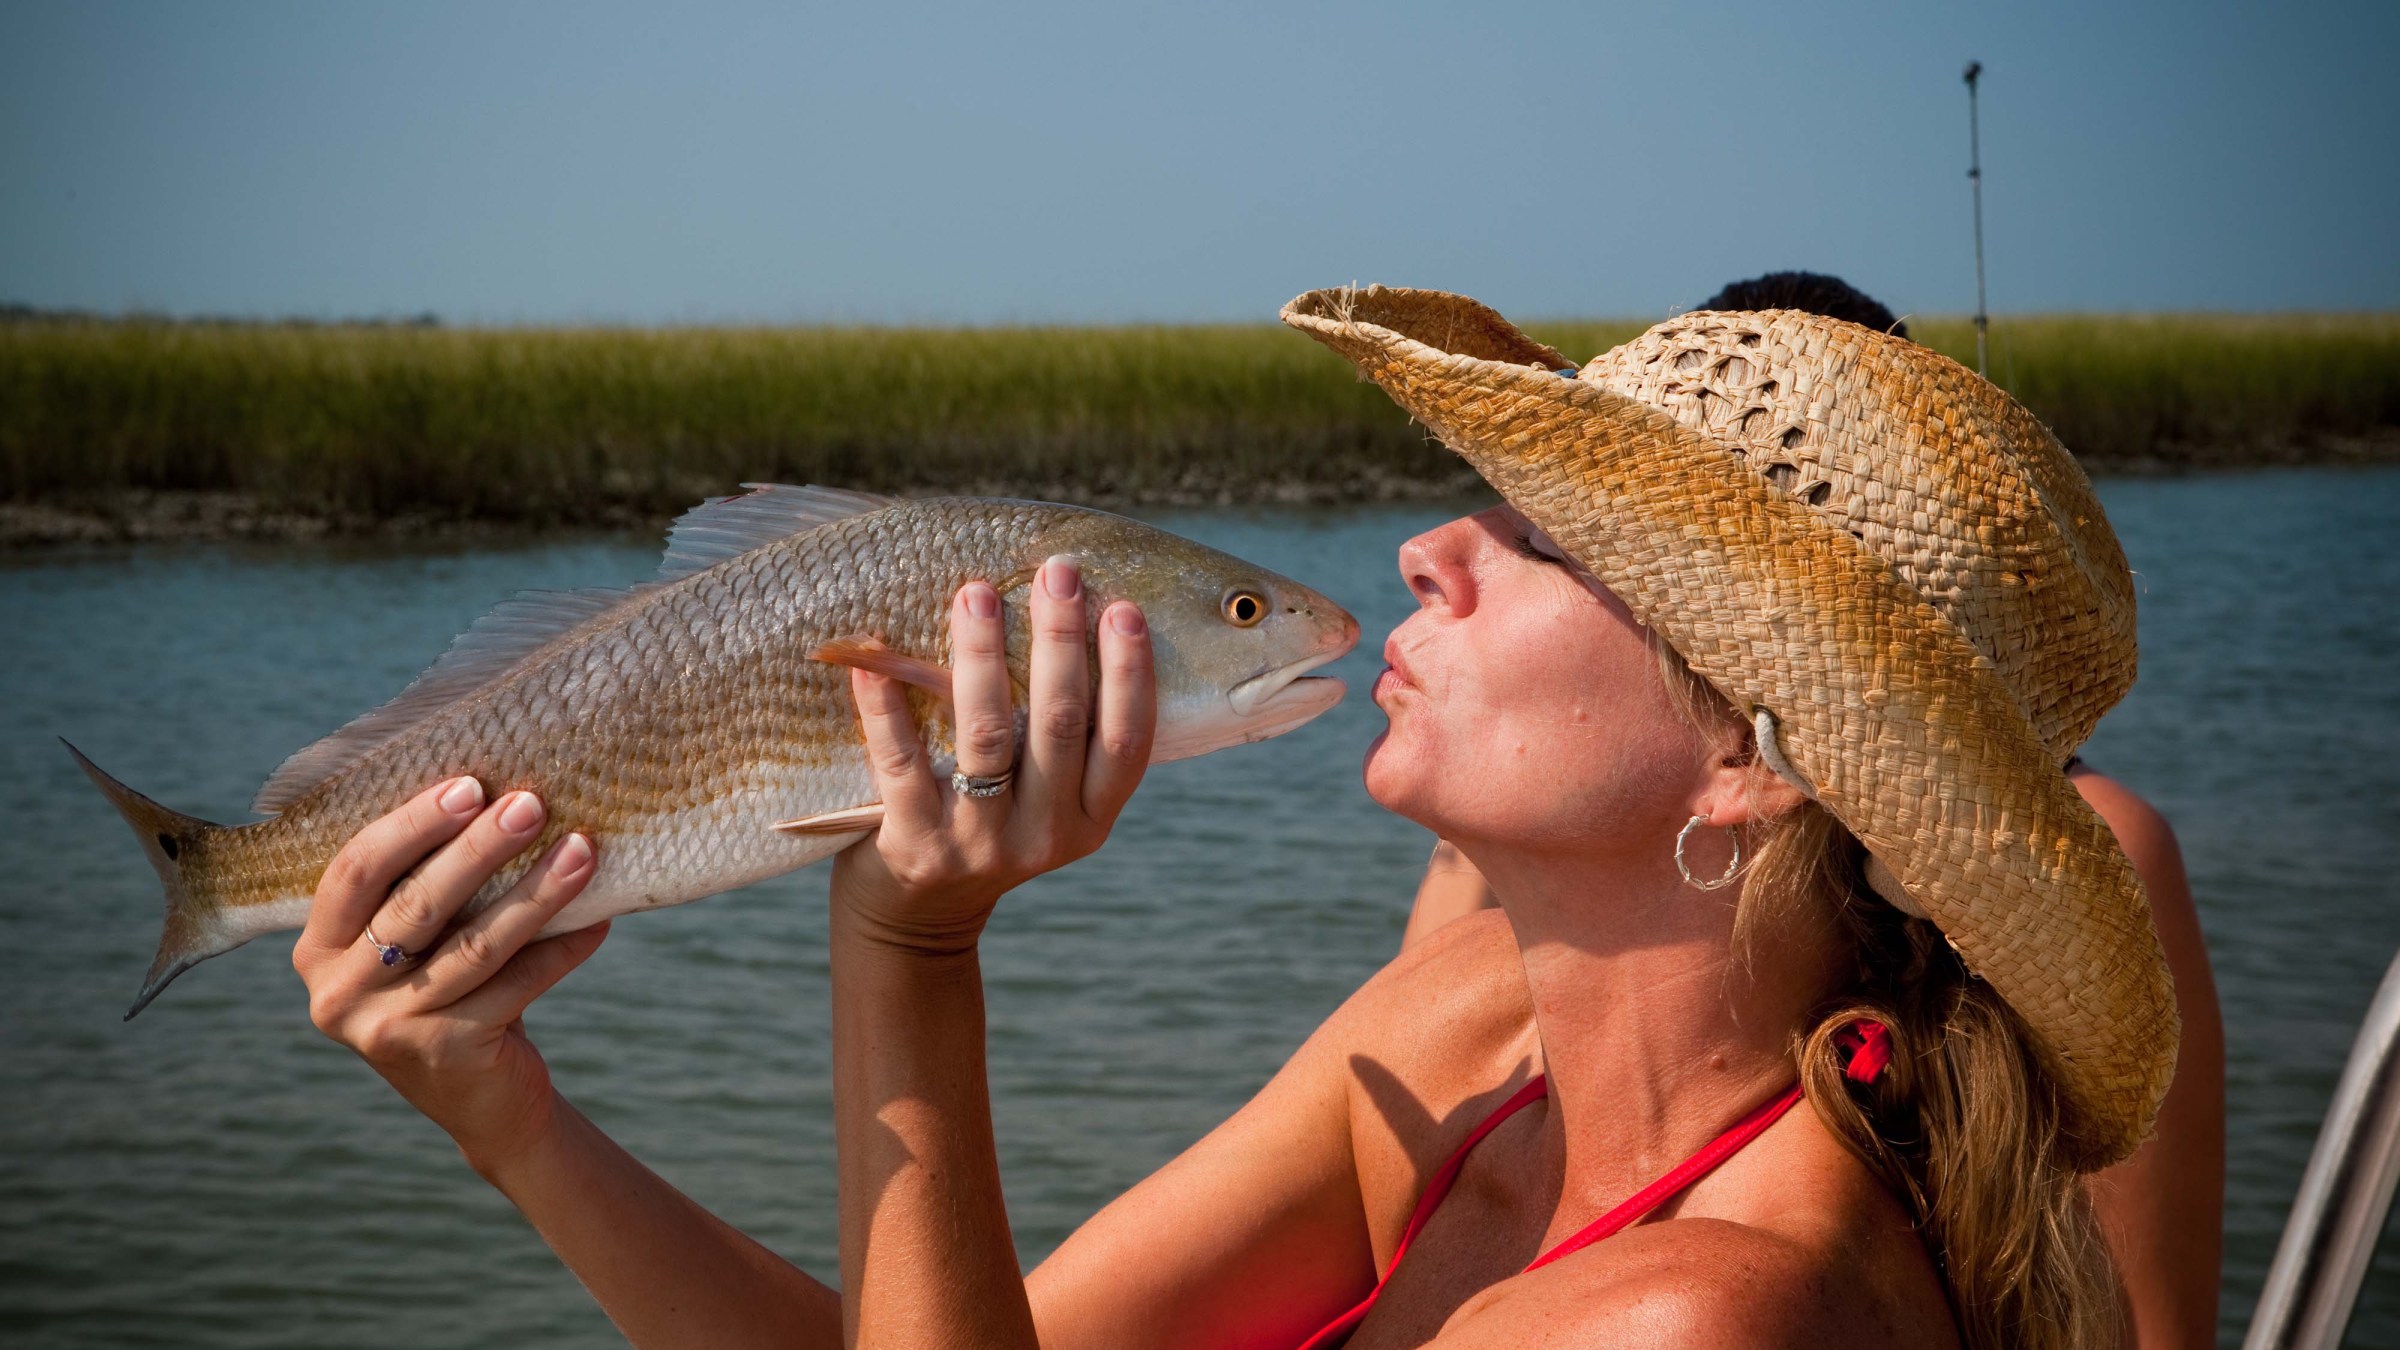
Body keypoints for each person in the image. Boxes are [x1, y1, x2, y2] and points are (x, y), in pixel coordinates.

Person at [295, 286, 2184, 1349]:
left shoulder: (1696, 1322)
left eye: (1542, 540)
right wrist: (512, 1117)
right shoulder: (1473, 1050)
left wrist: (906, 942)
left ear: (1756, 756)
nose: (1431, 548)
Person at [1404, 271, 2224, 1350]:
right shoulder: (1501, 912)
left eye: (1558, 537)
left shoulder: (2095, 847)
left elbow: (2142, 1320)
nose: (1431, 554)